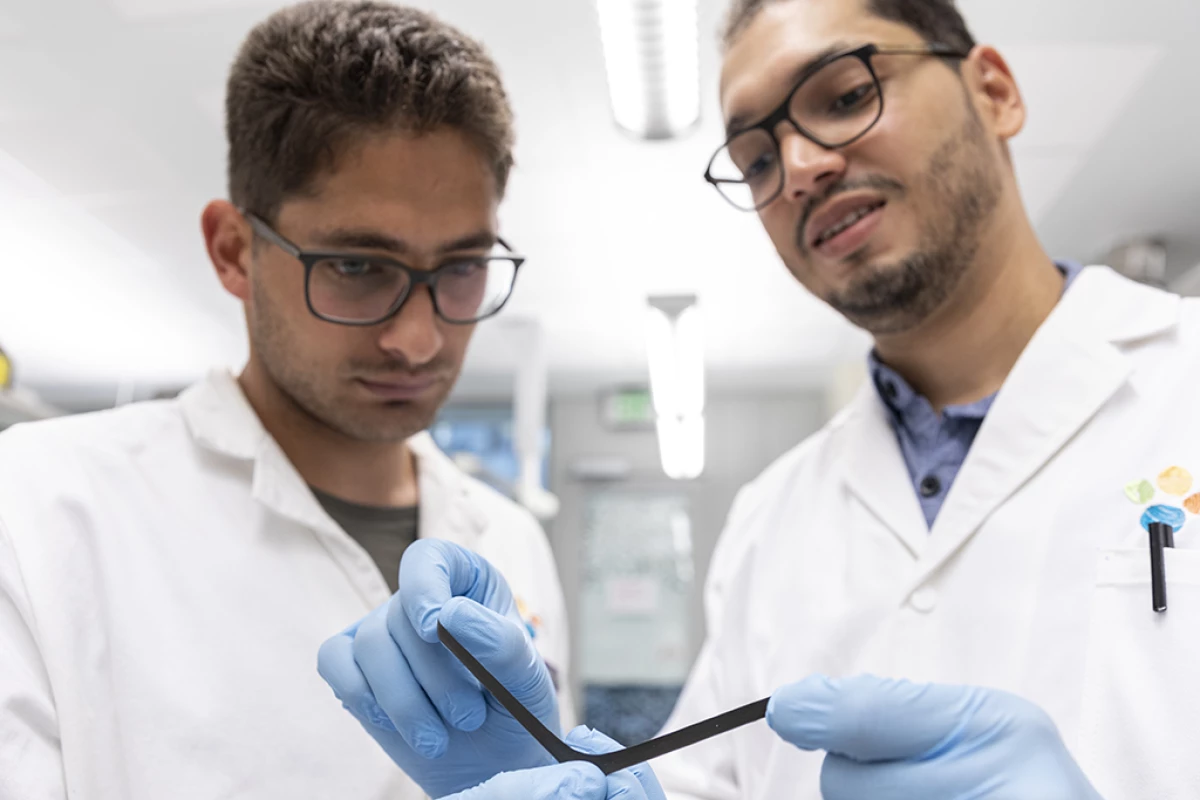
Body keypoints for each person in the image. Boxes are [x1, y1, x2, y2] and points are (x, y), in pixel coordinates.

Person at [321, 0, 1200, 797]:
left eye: (846, 95)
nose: (802, 165)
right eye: (755, 157)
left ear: (995, 90)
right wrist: (547, 769)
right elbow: (715, 785)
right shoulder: (770, 518)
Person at [0, 2, 570, 798]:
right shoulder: (33, 512)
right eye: (358, 267)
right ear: (233, 250)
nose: (419, 339)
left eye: (461, 268)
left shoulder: (510, 542)